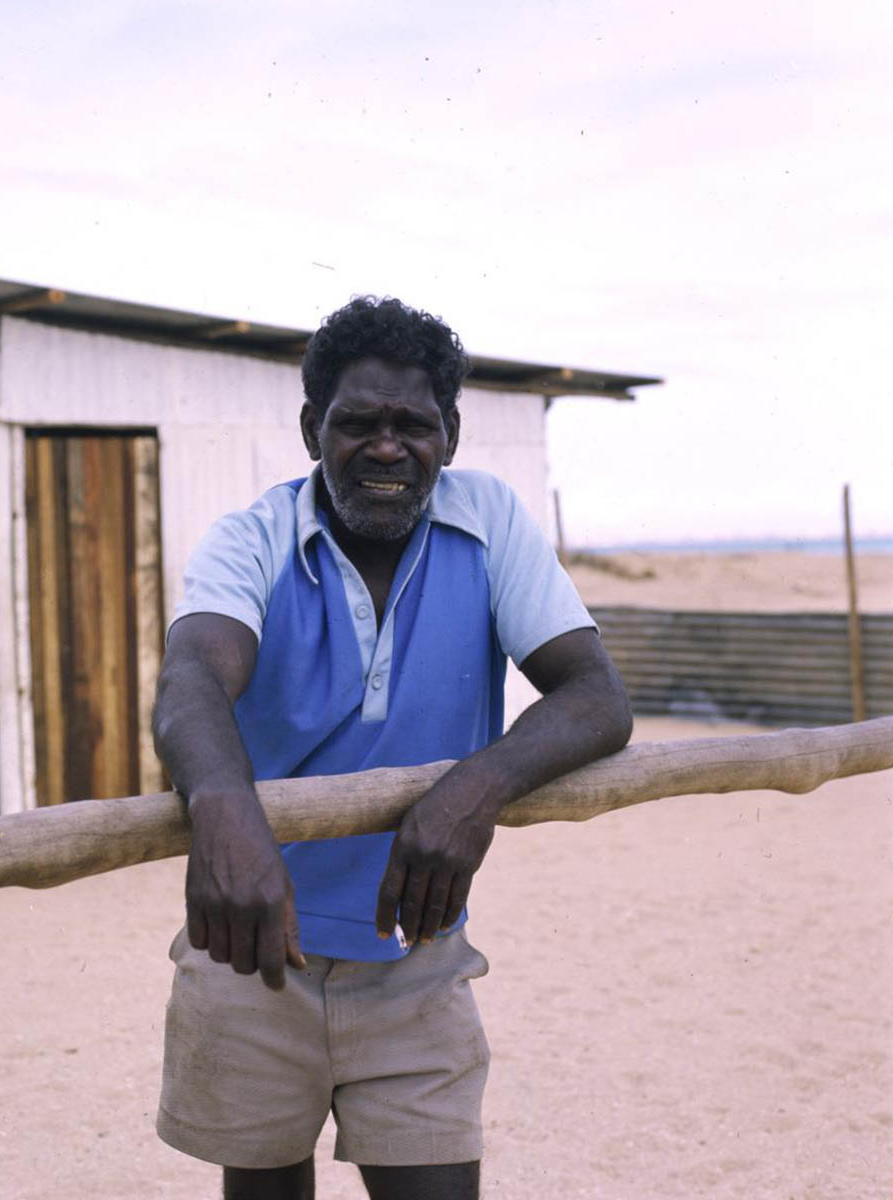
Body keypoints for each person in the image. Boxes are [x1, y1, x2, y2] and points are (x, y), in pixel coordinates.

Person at [152, 296, 632, 1200]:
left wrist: (472, 791)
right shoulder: (250, 538)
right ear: (310, 429)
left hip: (418, 959)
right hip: (250, 944)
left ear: (449, 434)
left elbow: (597, 696)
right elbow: (192, 680)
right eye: (357, 422)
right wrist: (223, 810)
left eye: (412, 424)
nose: (385, 446)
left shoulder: (488, 521)